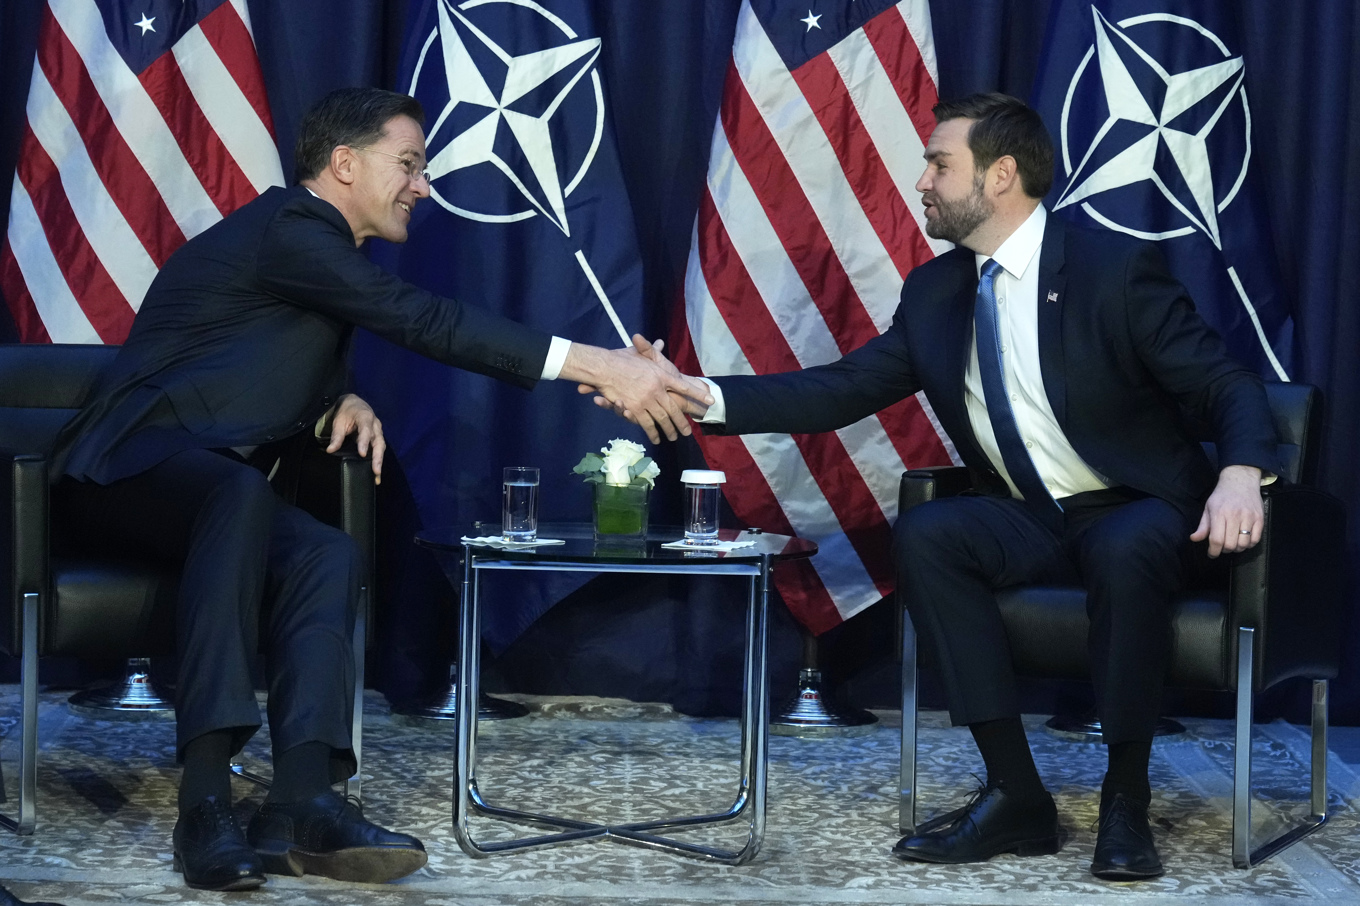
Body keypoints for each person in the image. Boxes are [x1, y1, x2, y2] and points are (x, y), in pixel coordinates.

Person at [48, 87, 711, 892]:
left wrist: (337, 397)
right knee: (241, 496)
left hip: (215, 491)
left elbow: (246, 351)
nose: (422, 186)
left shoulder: (314, 253)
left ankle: (300, 802)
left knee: (325, 553)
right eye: (410, 164)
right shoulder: (293, 228)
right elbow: (423, 320)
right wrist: (600, 364)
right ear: (344, 164)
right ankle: (206, 801)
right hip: (125, 471)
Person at [615, 93, 1277, 881]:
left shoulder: (1111, 270)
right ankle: (1015, 793)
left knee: (1128, 548)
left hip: (1135, 505)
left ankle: (1125, 800)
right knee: (930, 532)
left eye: (939, 163)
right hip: (1030, 515)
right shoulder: (936, 293)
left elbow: (1227, 383)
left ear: (1000, 176)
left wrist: (1240, 473)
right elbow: (838, 389)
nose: (921, 180)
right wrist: (697, 393)